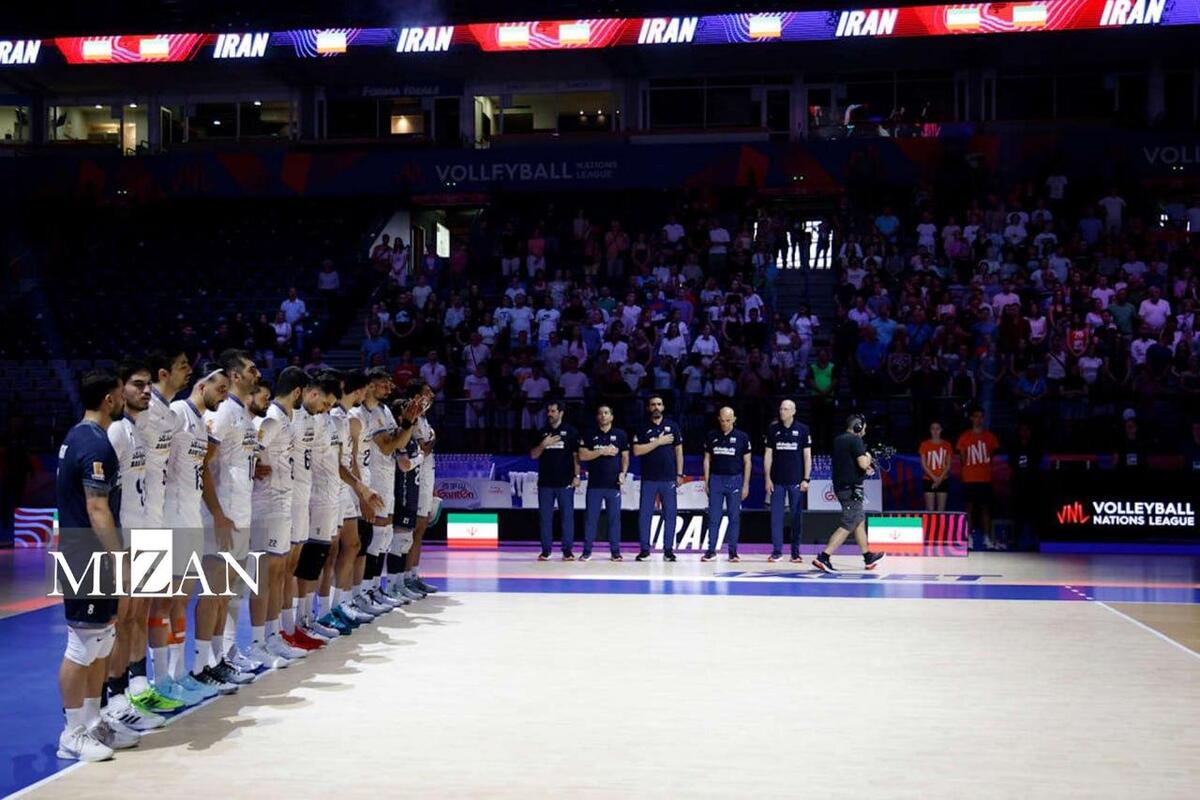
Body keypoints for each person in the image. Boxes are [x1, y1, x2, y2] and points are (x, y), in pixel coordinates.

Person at [54, 370, 137, 761]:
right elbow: (96, 506)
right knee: (83, 645)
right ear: (109, 398)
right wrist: (119, 558)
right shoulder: (93, 443)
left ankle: (92, 721)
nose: (123, 399)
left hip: (90, 552)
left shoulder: (82, 436)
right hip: (86, 554)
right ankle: (71, 733)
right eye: (120, 393)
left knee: (102, 640)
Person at [107, 360, 183, 724]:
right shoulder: (116, 431)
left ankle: (138, 687)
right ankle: (115, 696)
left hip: (150, 528)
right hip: (125, 536)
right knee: (120, 619)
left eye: (148, 384)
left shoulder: (140, 429)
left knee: (139, 613)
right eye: (138, 384)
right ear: (119, 389)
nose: (146, 390)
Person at [812, 415, 886, 573]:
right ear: (858, 427)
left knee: (858, 520)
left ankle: (868, 557)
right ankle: (824, 556)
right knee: (849, 522)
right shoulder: (855, 440)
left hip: (842, 486)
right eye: (864, 427)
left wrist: (863, 470)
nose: (865, 430)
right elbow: (863, 463)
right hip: (850, 489)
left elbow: (849, 464)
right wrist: (869, 456)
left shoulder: (839, 439)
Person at [633, 394, 684, 561]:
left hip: (668, 478)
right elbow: (636, 451)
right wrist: (658, 442)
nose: (656, 407)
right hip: (649, 478)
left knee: (670, 515)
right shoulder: (641, 427)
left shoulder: (672, 426)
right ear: (648, 408)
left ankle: (668, 551)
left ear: (663, 407)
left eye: (659, 404)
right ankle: (645, 550)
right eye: (653, 404)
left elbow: (679, 451)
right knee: (645, 515)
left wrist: (679, 473)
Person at [529, 399, 581, 560]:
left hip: (565, 482)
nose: (549, 414)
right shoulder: (542, 431)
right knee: (545, 518)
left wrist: (577, 476)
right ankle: (546, 550)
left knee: (567, 518)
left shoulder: (571, 432)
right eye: (548, 411)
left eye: (553, 411)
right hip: (545, 483)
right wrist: (543, 444)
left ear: (561, 413)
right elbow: (533, 455)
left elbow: (576, 456)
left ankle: (567, 550)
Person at [763, 399, 811, 563]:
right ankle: (777, 551)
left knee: (796, 517)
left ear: (793, 411)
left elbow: (807, 456)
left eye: (785, 409)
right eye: (781, 409)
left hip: (796, 481)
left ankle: (795, 553)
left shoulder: (803, 429)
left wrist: (806, 479)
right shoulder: (773, 429)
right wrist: (767, 478)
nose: (782, 411)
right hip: (777, 481)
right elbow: (768, 455)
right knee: (776, 518)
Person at [579, 405, 629, 561]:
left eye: (606, 413)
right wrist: (602, 451)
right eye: (600, 413)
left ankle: (615, 552)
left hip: (613, 484)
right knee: (591, 519)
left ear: (611, 417)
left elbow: (625, 457)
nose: (603, 416)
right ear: (597, 417)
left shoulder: (620, 435)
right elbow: (582, 455)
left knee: (614, 519)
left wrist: (623, 473)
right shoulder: (589, 434)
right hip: (594, 484)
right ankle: (587, 551)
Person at [701, 407, 752, 562]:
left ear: (734, 419)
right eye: (722, 420)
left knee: (734, 517)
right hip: (716, 479)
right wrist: (706, 481)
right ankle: (711, 551)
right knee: (713, 517)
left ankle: (733, 552)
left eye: (728, 420)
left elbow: (748, 462)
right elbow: (707, 460)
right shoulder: (711, 435)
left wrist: (746, 485)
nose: (725, 423)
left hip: (735, 479)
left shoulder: (742, 437)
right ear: (719, 419)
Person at [956, 406, 1000, 549]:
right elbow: (962, 458)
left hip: (985, 478)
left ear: (983, 418)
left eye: (981, 416)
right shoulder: (964, 437)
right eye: (976, 416)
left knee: (985, 509)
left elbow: (991, 456)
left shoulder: (990, 437)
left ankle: (986, 538)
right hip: (969, 478)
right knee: (969, 509)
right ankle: (969, 538)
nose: (978, 419)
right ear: (971, 418)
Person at [918, 421, 953, 512]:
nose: (935, 431)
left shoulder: (947, 445)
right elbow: (924, 464)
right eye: (933, 429)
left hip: (943, 479)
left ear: (941, 430)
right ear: (930, 431)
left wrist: (939, 479)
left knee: (941, 509)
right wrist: (934, 478)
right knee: (930, 509)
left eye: (937, 428)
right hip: (928, 479)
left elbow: (948, 464)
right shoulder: (924, 445)